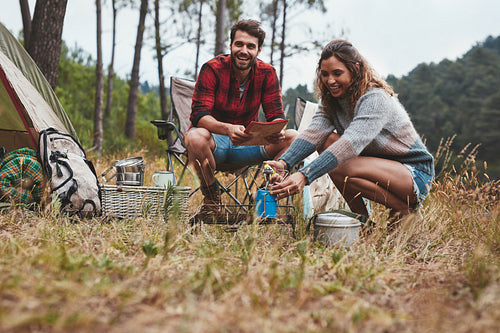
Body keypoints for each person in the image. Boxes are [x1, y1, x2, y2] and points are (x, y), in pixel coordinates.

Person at [266, 39, 435, 220]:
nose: (330, 80)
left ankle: (404, 209)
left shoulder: (375, 99)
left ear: (355, 69)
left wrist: (304, 176)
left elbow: (349, 145)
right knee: (327, 143)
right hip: (376, 166)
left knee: (340, 162)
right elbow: (314, 134)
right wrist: (284, 164)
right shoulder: (331, 100)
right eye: (324, 74)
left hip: (413, 173)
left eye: (337, 73)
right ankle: (362, 221)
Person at [185, 19, 297, 219]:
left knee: (293, 137)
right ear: (231, 46)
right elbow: (199, 115)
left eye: (250, 46)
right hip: (214, 143)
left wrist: (275, 131)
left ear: (258, 50)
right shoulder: (212, 68)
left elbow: (276, 116)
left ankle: (265, 194)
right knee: (194, 137)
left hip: (248, 144)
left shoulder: (267, 73)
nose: (244, 50)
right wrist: (226, 128)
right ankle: (212, 201)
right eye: (239, 44)